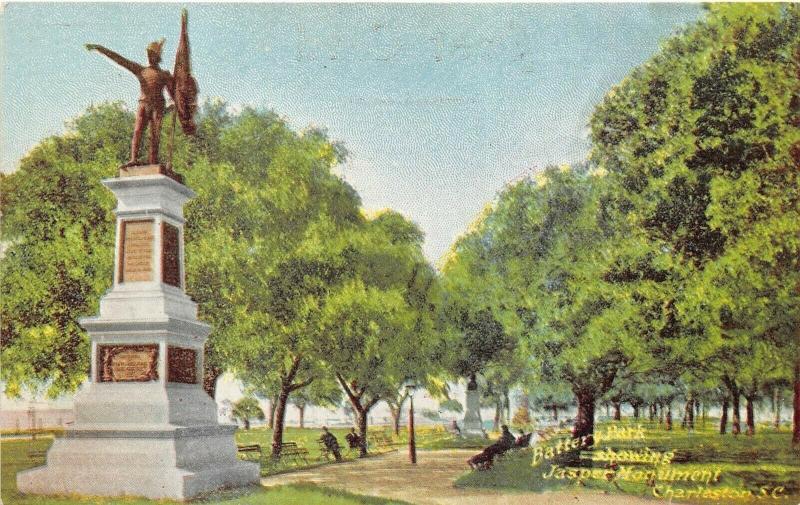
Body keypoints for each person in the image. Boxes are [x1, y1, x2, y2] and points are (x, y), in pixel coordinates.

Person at [86, 40, 175, 166]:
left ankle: (153, 161)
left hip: (158, 106)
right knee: (137, 132)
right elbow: (120, 60)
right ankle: (134, 159)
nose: (149, 57)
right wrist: (100, 49)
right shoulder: (141, 70)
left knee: (155, 134)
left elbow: (174, 94)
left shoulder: (164, 75)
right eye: (148, 54)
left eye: (152, 54)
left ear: (158, 57)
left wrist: (173, 104)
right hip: (143, 105)